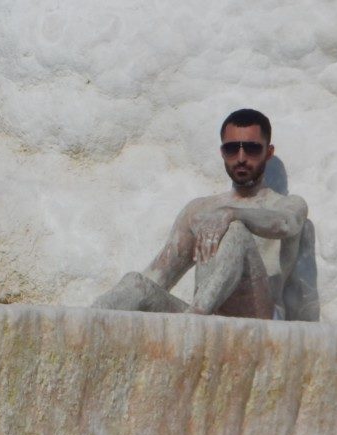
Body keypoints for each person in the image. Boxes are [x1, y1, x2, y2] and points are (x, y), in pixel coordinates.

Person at [92, 108, 312, 319]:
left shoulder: (288, 205)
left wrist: (232, 214)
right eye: (232, 149)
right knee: (135, 284)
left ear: (269, 152)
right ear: (222, 152)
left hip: (259, 322)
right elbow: (158, 278)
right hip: (207, 318)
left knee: (234, 231)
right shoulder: (199, 210)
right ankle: (77, 330)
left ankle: (195, 323)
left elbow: (286, 224)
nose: (241, 157)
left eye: (252, 149)